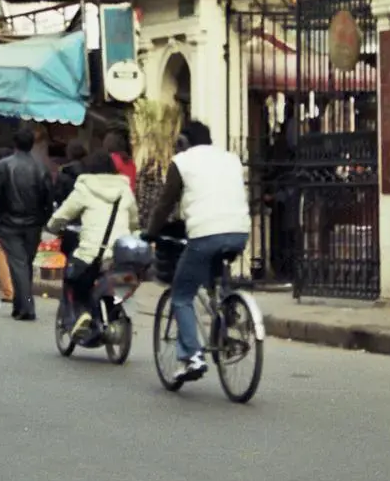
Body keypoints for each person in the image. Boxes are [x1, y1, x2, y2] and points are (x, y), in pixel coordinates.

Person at [142, 121, 251, 380]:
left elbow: (165, 203)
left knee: (181, 295)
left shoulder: (182, 162)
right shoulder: (231, 159)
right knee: (215, 275)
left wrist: (151, 232)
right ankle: (227, 314)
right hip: (238, 231)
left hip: (205, 233)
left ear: (183, 141)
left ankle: (192, 356)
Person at [46, 152, 136, 342]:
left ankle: (82, 314)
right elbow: (134, 221)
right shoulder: (125, 189)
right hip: (121, 254)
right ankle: (112, 314)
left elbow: (62, 215)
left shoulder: (85, 188)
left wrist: (52, 227)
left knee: (74, 279)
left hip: (91, 254)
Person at [0, 129, 52, 322]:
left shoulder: (3, 166)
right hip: (33, 223)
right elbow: (48, 199)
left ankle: (25, 307)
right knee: (23, 263)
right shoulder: (41, 167)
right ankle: (21, 305)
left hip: (9, 222)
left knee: (19, 264)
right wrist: (43, 219)